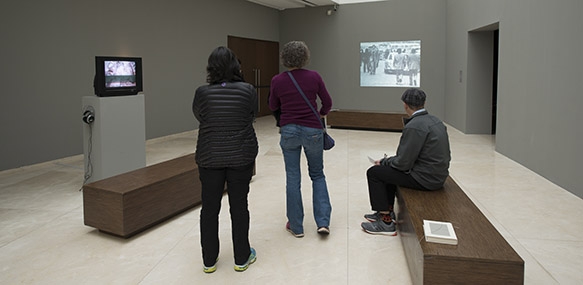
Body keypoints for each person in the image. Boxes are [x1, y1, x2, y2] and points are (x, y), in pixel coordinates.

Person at [192, 46, 258, 273]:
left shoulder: (202, 92)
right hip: (241, 156)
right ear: (235, 66)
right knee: (239, 207)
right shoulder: (248, 90)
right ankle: (241, 257)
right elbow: (252, 116)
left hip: (210, 157)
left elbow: (200, 116)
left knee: (209, 208)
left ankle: (209, 261)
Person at [361, 88, 451, 235]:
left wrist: (384, 162)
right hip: (437, 175)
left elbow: (403, 163)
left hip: (425, 179)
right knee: (388, 171)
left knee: (374, 173)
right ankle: (387, 211)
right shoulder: (435, 120)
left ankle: (385, 223)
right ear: (424, 103)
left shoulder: (414, 126)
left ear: (405, 105)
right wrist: (388, 162)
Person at [269, 41, 333, 237]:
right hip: (312, 130)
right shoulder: (314, 77)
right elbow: (328, 103)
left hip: (289, 131)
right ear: (305, 56)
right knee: (317, 174)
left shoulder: (277, 80)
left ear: (284, 58)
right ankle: (322, 222)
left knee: (293, 177)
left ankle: (296, 226)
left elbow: (272, 105)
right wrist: (320, 113)